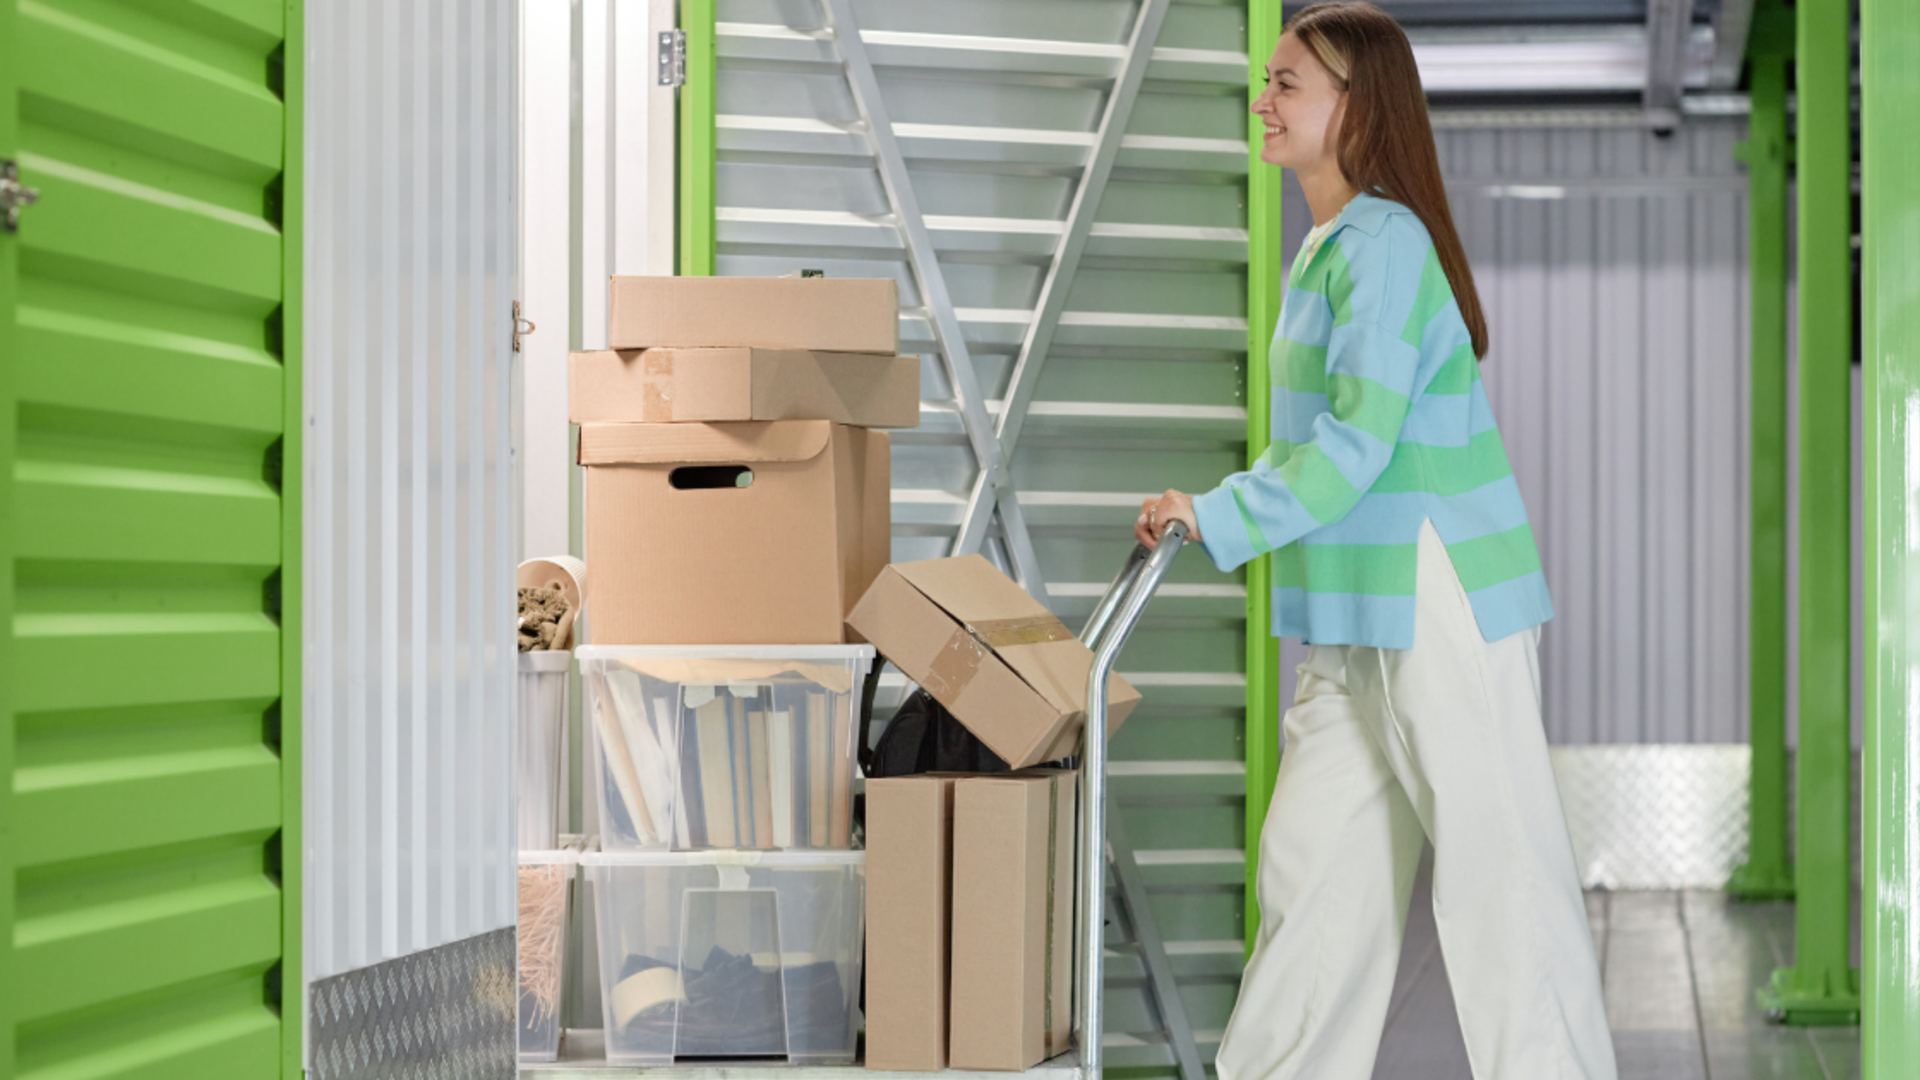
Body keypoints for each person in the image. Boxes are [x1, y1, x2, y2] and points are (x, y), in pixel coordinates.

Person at [1134, 4, 1617, 1077]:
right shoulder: (1323, 254)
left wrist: (1219, 516)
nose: (1264, 99)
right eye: (1267, 79)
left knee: (1501, 879)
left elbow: (1357, 445)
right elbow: (1310, 447)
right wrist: (1211, 504)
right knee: (1314, 882)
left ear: (1358, 108)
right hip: (1353, 612)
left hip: (1439, 595)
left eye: (1289, 82)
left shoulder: (1387, 244)